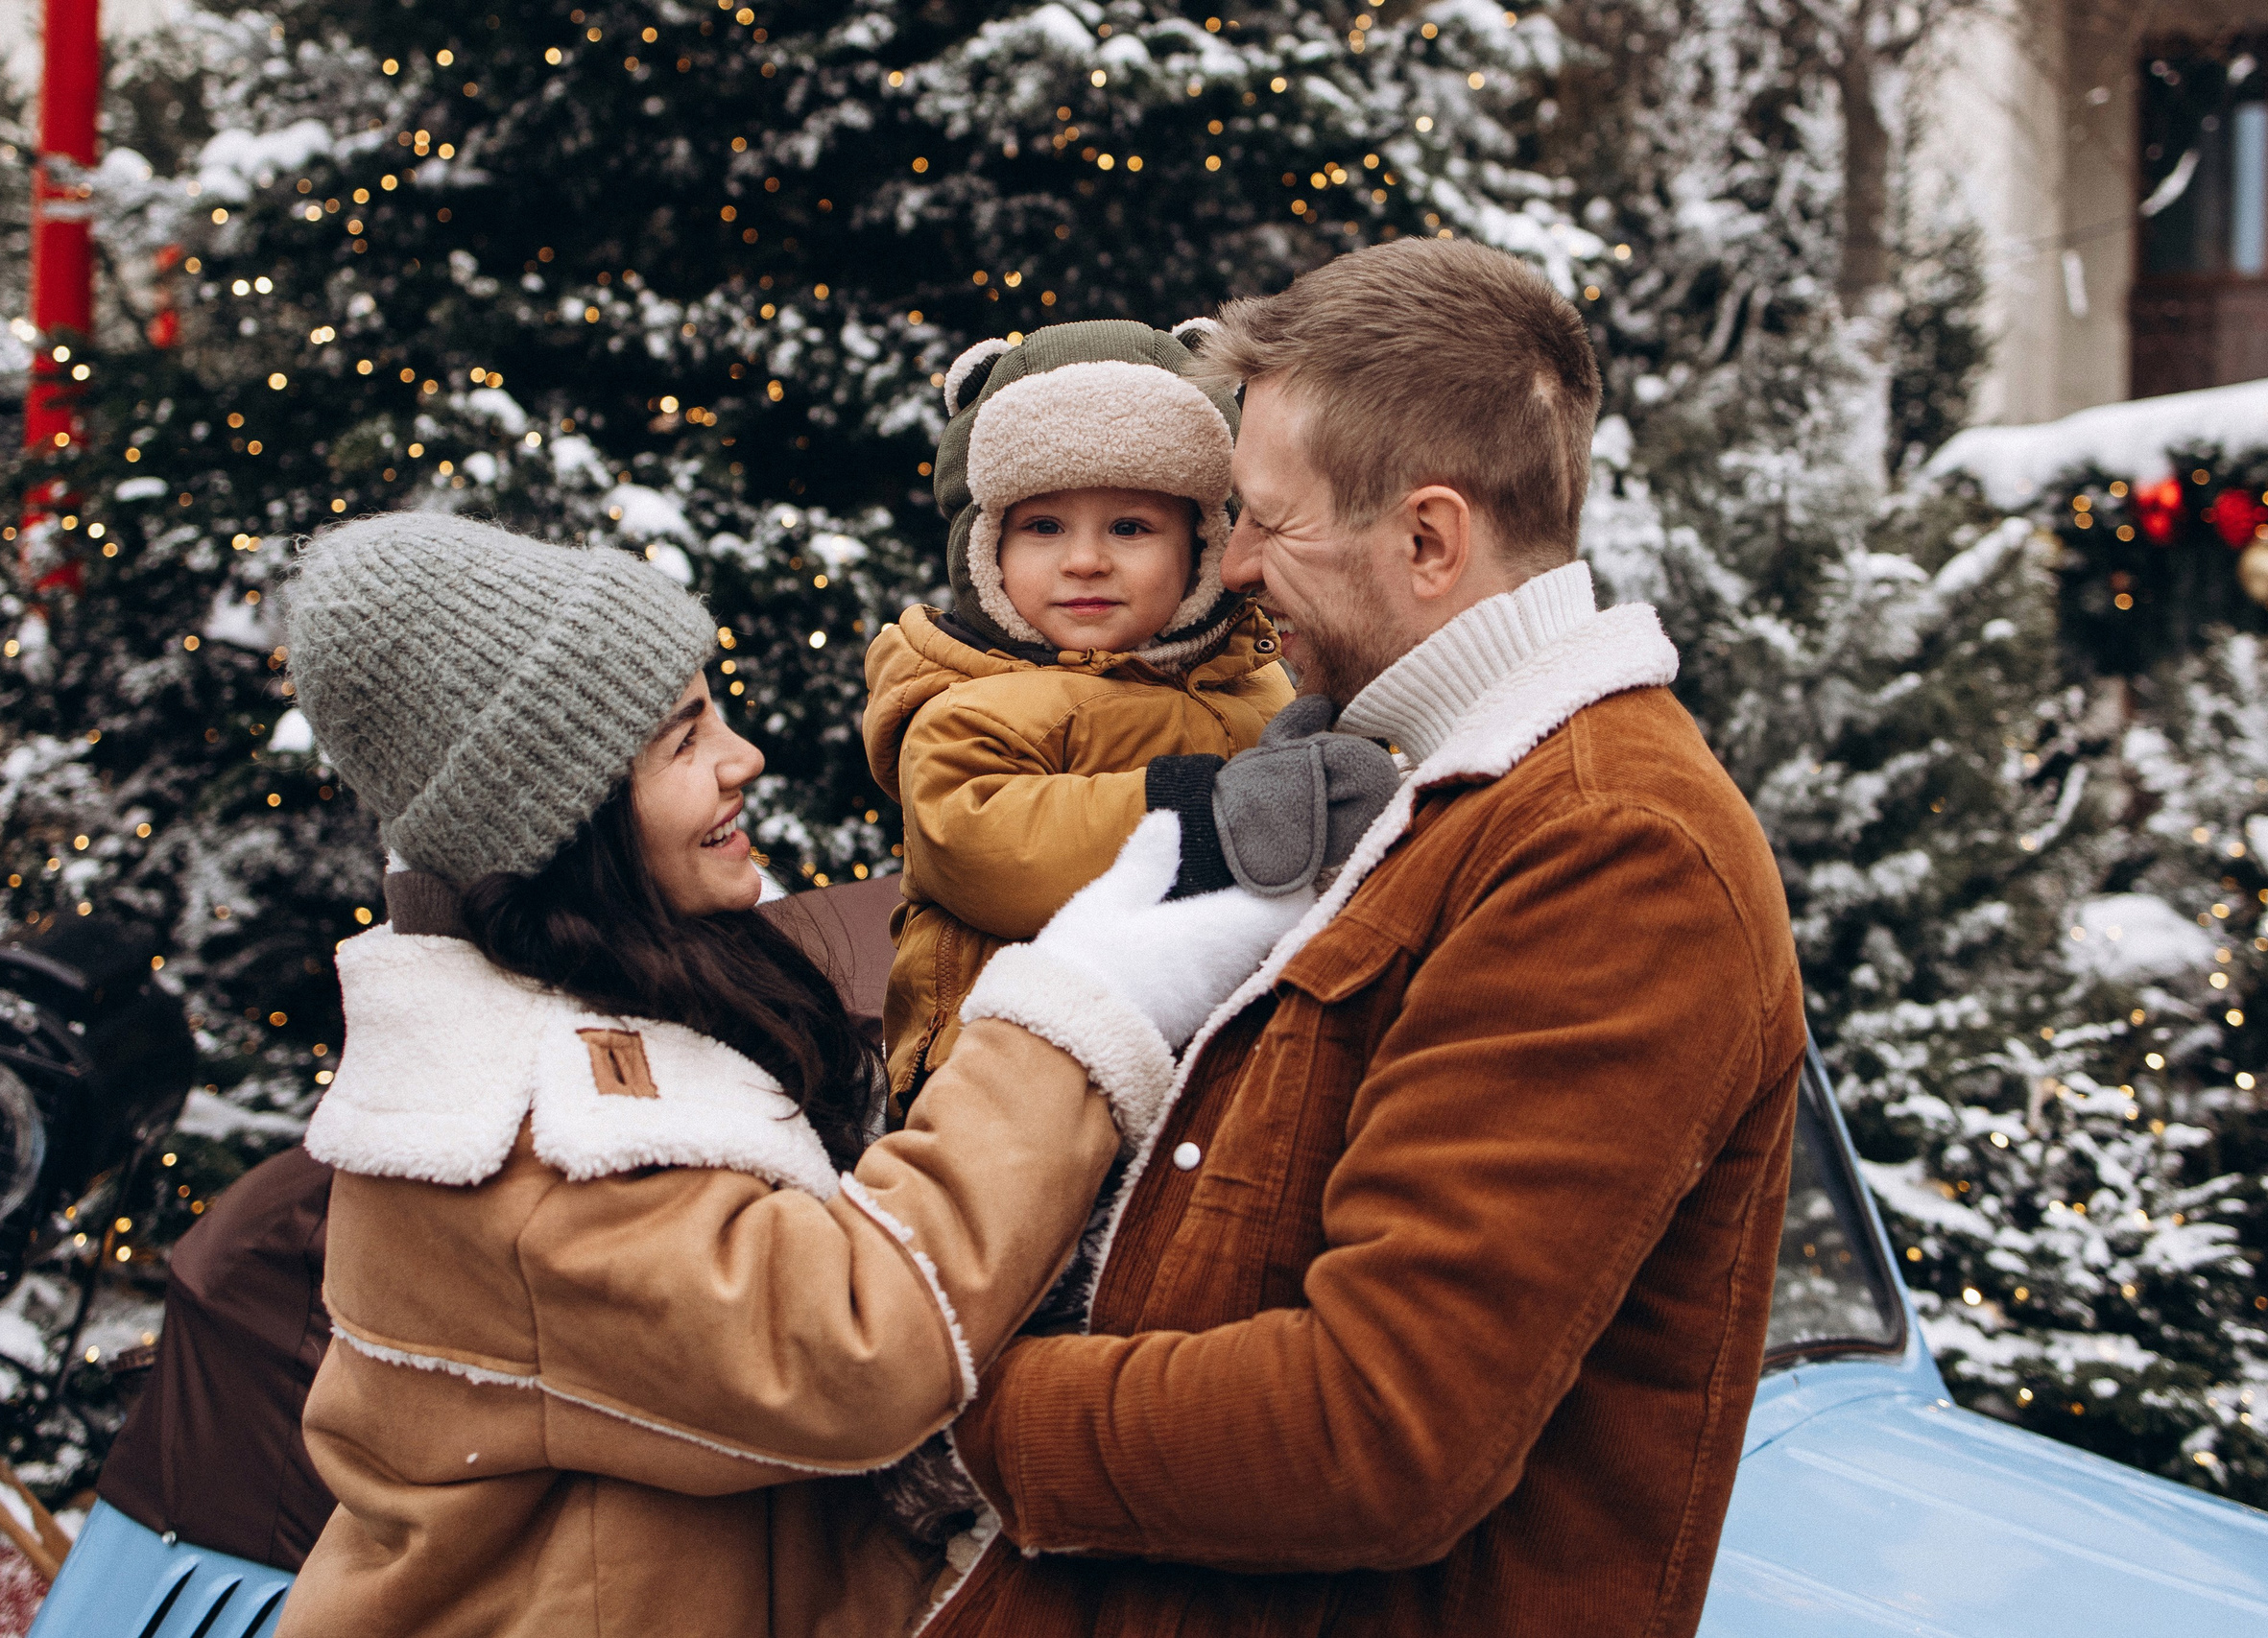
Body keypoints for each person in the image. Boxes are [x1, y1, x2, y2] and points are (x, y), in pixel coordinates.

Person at [914, 239, 1806, 1638]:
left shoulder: (1612, 851)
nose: (1239, 565)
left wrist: (949, 1399)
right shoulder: (1426, 782)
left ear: (1430, 539)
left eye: (1267, 519)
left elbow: (1374, 1422)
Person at [270, 514, 1304, 1637]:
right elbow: (858, 1343)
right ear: (564, 821)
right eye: (681, 738)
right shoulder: (522, 1140)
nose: (740, 758)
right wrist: (1086, 998)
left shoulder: (630, 1003)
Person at [863, 319, 1298, 1111]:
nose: (1085, 560)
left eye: (1130, 527)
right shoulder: (967, 698)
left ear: (1202, 544)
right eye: (1043, 527)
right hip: (999, 1069)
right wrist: (1195, 810)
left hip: (1202, 1057)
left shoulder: (1255, 681)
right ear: (985, 547)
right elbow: (981, 841)